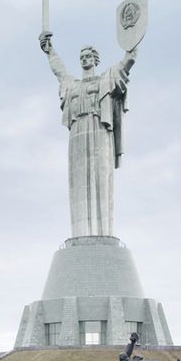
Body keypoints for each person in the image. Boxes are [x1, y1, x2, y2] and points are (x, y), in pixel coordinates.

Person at [39, 31, 136, 237]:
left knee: (101, 180)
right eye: (82, 57)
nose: (84, 59)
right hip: (78, 136)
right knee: (79, 185)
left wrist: (133, 42)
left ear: (95, 60)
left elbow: (127, 63)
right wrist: (49, 51)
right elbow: (59, 71)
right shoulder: (72, 85)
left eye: (88, 56)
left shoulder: (106, 79)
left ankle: (103, 233)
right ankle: (81, 234)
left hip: (100, 132)